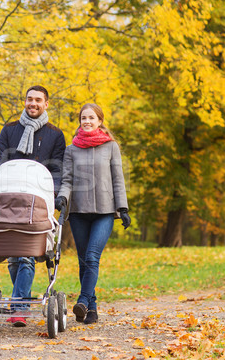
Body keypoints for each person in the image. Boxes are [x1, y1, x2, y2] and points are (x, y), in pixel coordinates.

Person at [0, 85, 66, 327]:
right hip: (11, 200)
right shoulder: (10, 129)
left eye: (38, 100)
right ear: (24, 101)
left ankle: (19, 307)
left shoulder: (56, 135)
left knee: (25, 256)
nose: (32, 103)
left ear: (46, 104)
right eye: (29, 99)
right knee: (15, 258)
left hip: (37, 202)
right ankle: (20, 300)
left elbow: (57, 170)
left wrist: (52, 196)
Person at [54, 103, 131, 325]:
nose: (86, 121)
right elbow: (67, 180)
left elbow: (118, 179)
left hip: (105, 212)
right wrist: (63, 198)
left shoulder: (111, 147)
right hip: (78, 211)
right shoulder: (71, 150)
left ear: (100, 121)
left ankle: (83, 300)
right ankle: (91, 310)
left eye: (91, 117)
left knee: (92, 257)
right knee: (83, 262)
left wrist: (122, 208)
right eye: (83, 118)